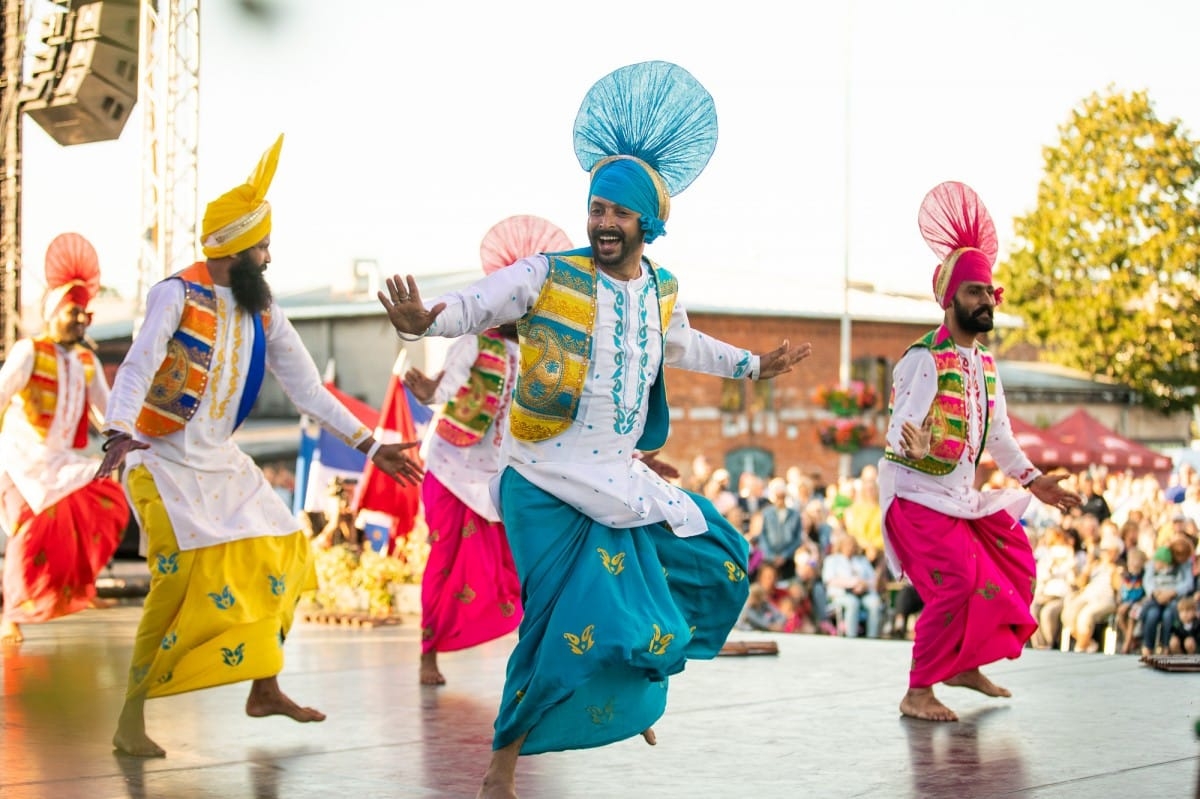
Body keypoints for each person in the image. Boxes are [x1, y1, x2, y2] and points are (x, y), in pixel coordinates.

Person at [378, 61, 812, 799]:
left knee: (720, 554)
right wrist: (429, 319)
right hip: (542, 479)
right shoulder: (546, 275)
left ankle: (631, 684)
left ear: (649, 222)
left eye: (618, 212)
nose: (604, 223)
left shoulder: (661, 289)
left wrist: (754, 367)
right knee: (552, 625)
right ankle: (499, 771)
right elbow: (482, 302)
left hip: (617, 472)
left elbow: (686, 344)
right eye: (597, 208)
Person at [94, 135, 423, 758]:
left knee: (288, 548)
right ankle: (130, 716)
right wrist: (115, 428)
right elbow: (136, 368)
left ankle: (263, 686)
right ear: (236, 249)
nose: (270, 257)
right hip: (155, 457)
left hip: (219, 462)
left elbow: (309, 389)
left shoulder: (261, 308)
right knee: (173, 581)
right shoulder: (175, 294)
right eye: (263, 246)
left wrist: (371, 443)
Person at [878, 181, 1082, 723]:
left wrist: (1035, 481)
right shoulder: (924, 358)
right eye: (974, 292)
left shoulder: (985, 366)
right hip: (914, 492)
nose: (985, 300)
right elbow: (899, 425)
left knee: (1011, 561)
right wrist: (911, 440)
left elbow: (1000, 437)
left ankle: (963, 664)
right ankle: (918, 690)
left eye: (989, 292)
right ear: (950, 299)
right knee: (959, 583)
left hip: (955, 496)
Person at [402, 215, 573, 685]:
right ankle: (428, 654)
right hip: (451, 466)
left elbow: (565, 418)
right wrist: (427, 392)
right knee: (442, 562)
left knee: (518, 566)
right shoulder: (476, 336)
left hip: (499, 477)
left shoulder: (545, 352)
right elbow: (447, 386)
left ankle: (534, 654)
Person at [0, 233, 130, 645]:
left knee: (105, 501)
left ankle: (79, 590)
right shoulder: (29, 351)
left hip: (58, 461)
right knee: (31, 531)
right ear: (54, 311)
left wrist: (129, 438)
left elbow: (106, 415)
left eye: (85, 315)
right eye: (73, 312)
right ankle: (11, 614)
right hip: (19, 461)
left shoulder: (87, 360)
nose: (80, 320)